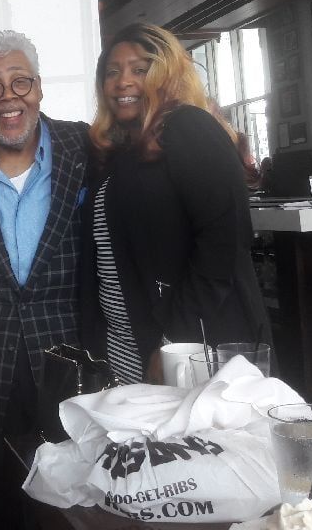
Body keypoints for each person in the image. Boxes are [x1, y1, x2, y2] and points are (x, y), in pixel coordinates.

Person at [0, 29, 88, 526]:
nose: (9, 97)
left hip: (67, 354)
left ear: (39, 87)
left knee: (74, 500)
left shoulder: (85, 147)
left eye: (20, 82)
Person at [82, 23, 271, 384]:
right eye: (112, 72)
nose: (122, 82)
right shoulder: (120, 151)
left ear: (167, 75)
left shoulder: (189, 127)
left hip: (192, 347)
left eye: (140, 69)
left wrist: (174, 342)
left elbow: (224, 242)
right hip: (130, 344)